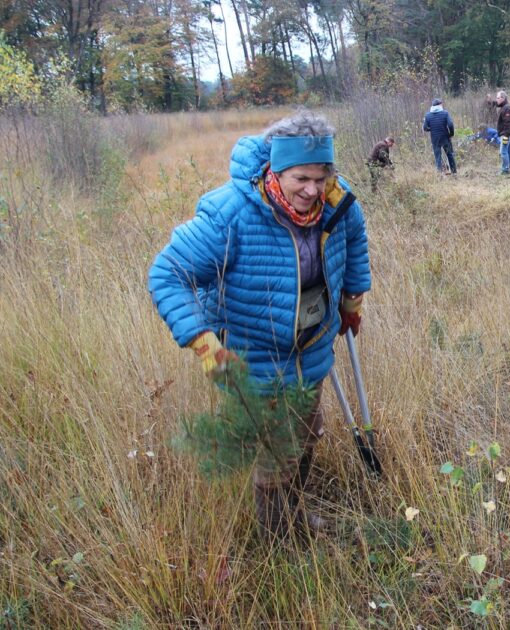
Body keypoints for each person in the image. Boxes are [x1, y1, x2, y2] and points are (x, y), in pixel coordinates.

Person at [148, 109, 372, 538]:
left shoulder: (337, 202)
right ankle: (280, 545)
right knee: (277, 456)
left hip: (312, 349)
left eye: (320, 177)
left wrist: (351, 302)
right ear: (276, 169)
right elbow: (167, 274)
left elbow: (354, 242)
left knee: (308, 434)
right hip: (255, 358)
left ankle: (296, 516)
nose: (312, 190)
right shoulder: (231, 214)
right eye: (300, 179)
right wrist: (207, 349)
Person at [423, 98, 456, 174]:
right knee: (449, 155)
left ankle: (439, 174)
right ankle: (454, 173)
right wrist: (451, 134)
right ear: (440, 105)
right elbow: (450, 124)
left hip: (435, 139)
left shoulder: (428, 115)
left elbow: (425, 128)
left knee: (438, 156)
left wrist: (432, 129)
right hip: (445, 138)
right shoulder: (445, 113)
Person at [496, 90, 510, 175]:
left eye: (498, 98)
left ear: (503, 98)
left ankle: (505, 170)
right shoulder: (504, 108)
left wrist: (505, 135)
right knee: (509, 152)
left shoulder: (507, 109)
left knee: (503, 152)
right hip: (507, 135)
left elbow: (508, 124)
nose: (497, 100)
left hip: (506, 135)